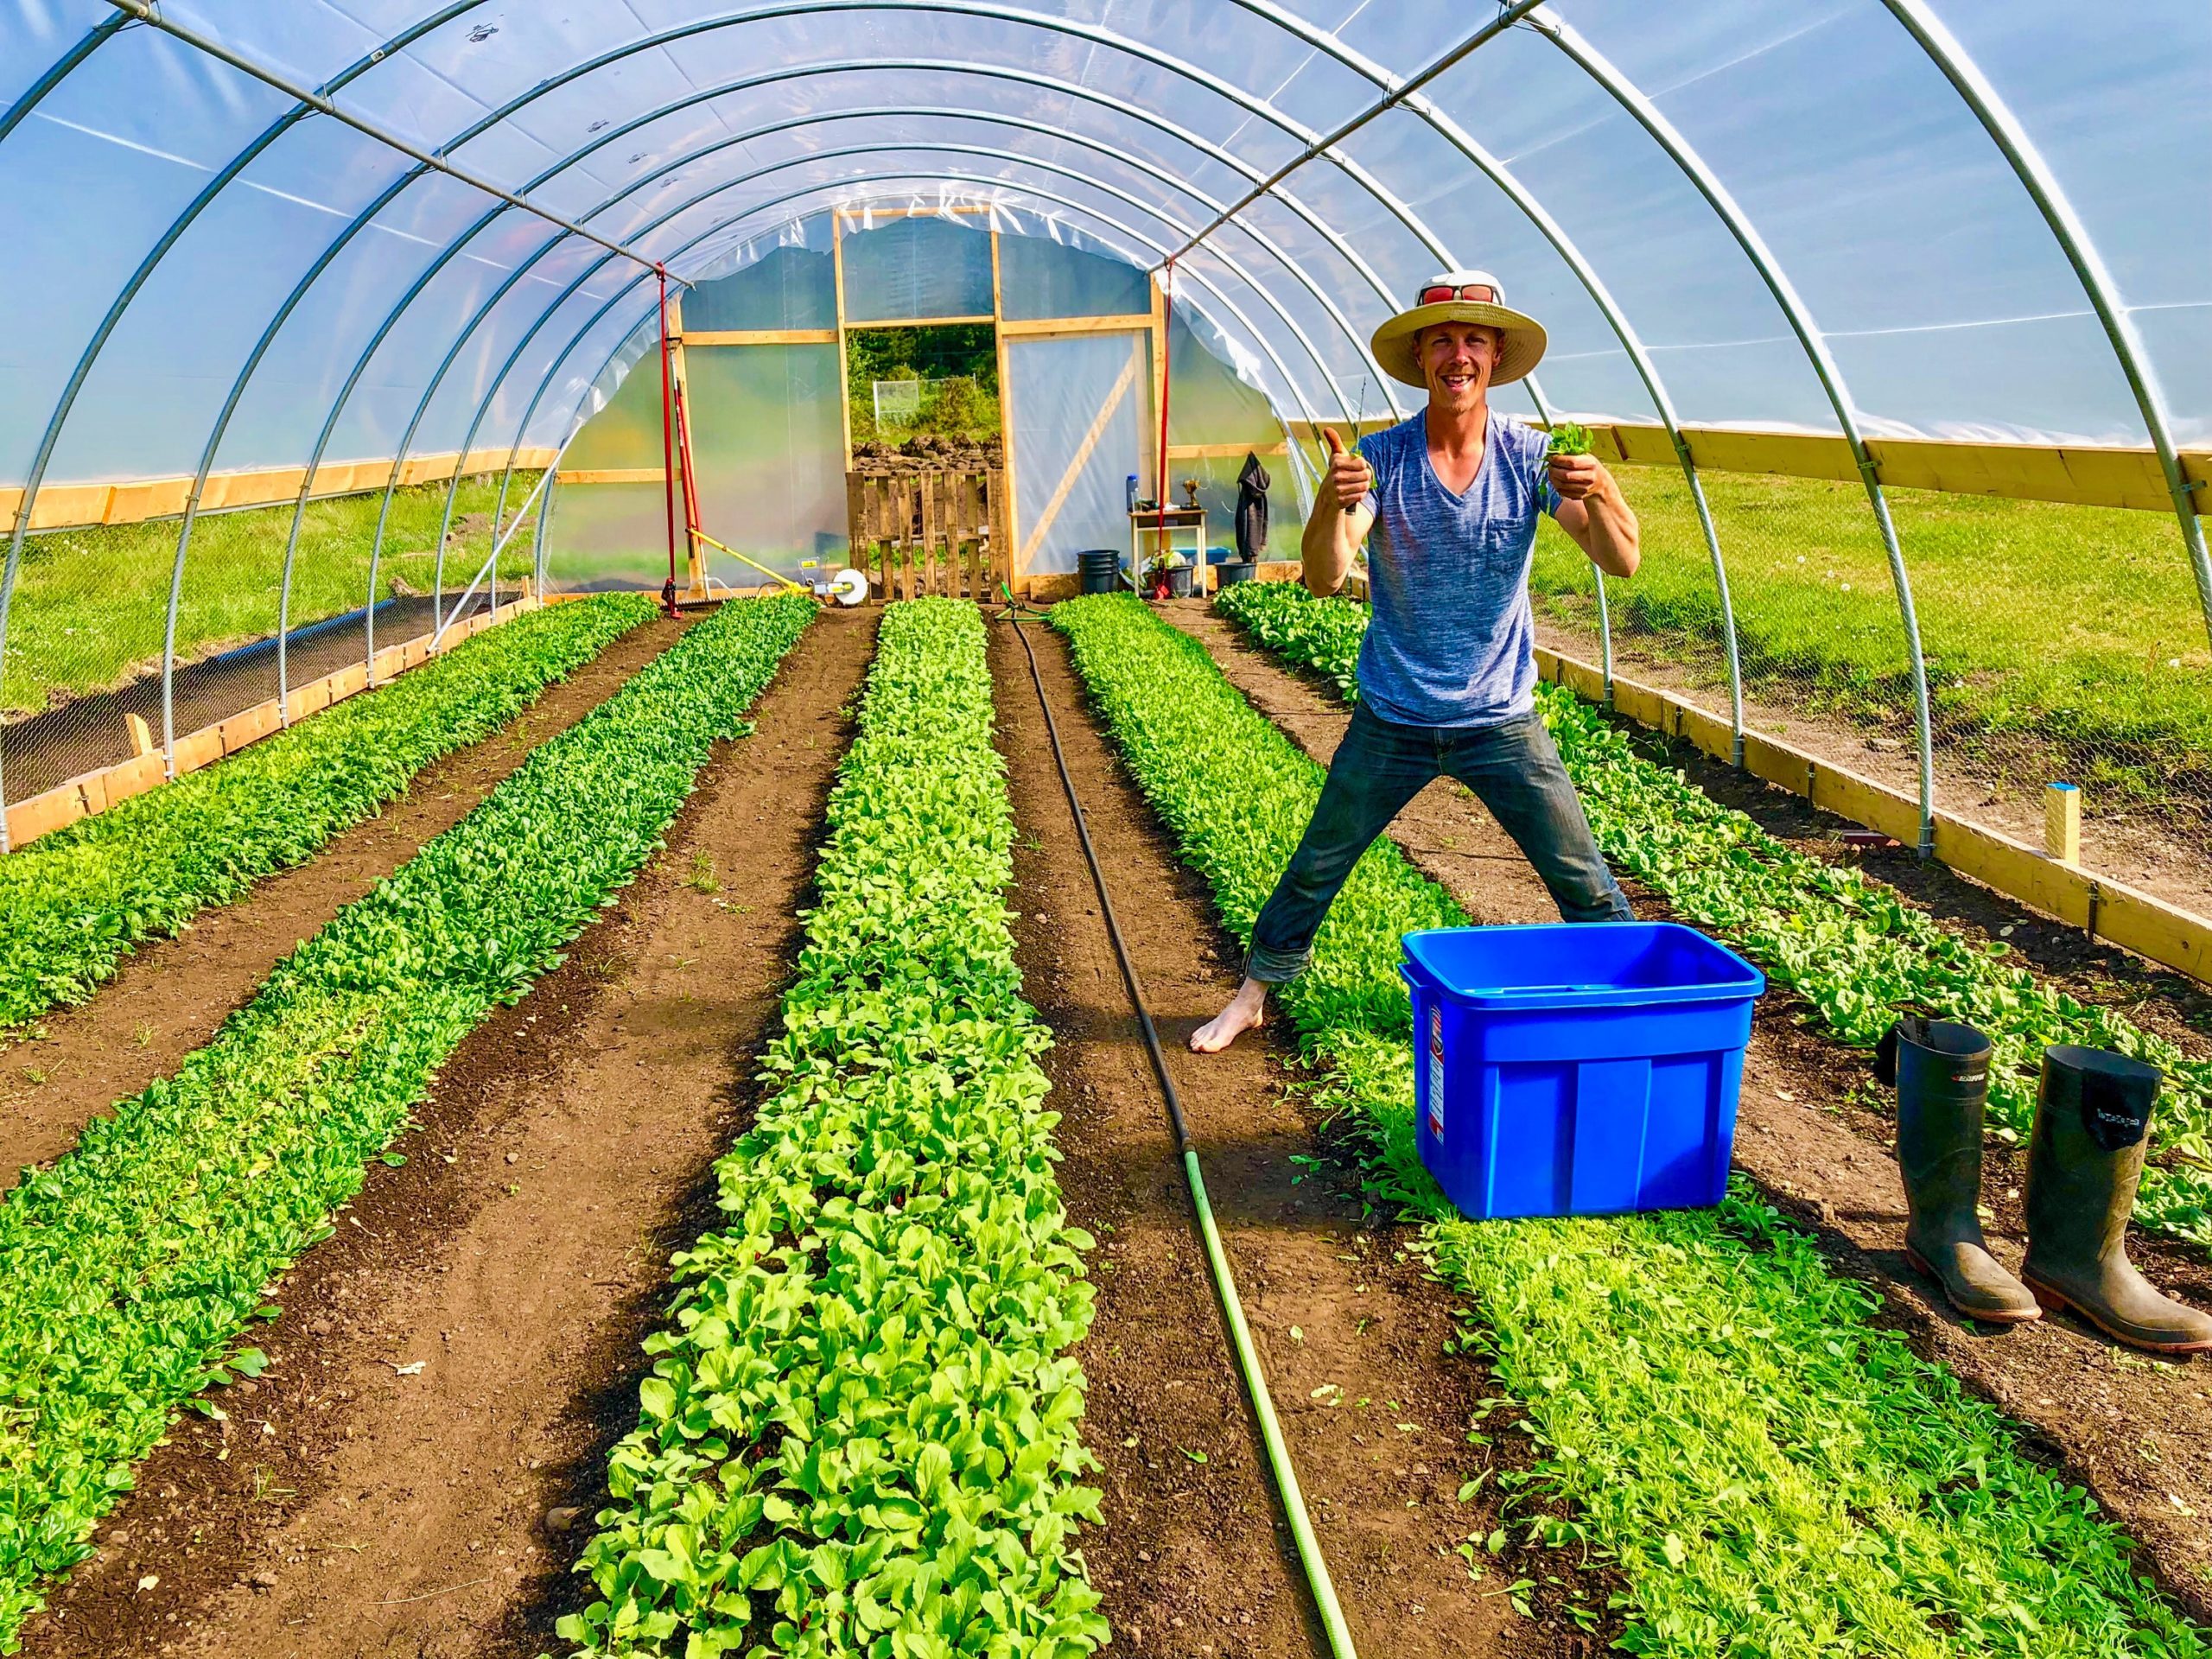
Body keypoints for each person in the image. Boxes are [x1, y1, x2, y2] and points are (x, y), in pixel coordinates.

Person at [1192, 270, 1642, 1053]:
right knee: (1319, 862)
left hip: (1501, 720)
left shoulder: (1532, 459)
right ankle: (1253, 993)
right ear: (1422, 356)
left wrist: (1602, 491)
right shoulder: (1383, 461)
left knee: (1583, 880)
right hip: (1394, 717)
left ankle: (1638, 1018)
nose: (1457, 355)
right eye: (1442, 340)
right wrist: (1334, 501)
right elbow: (1328, 576)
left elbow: (1621, 559)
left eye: (1473, 339)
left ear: (1496, 356)